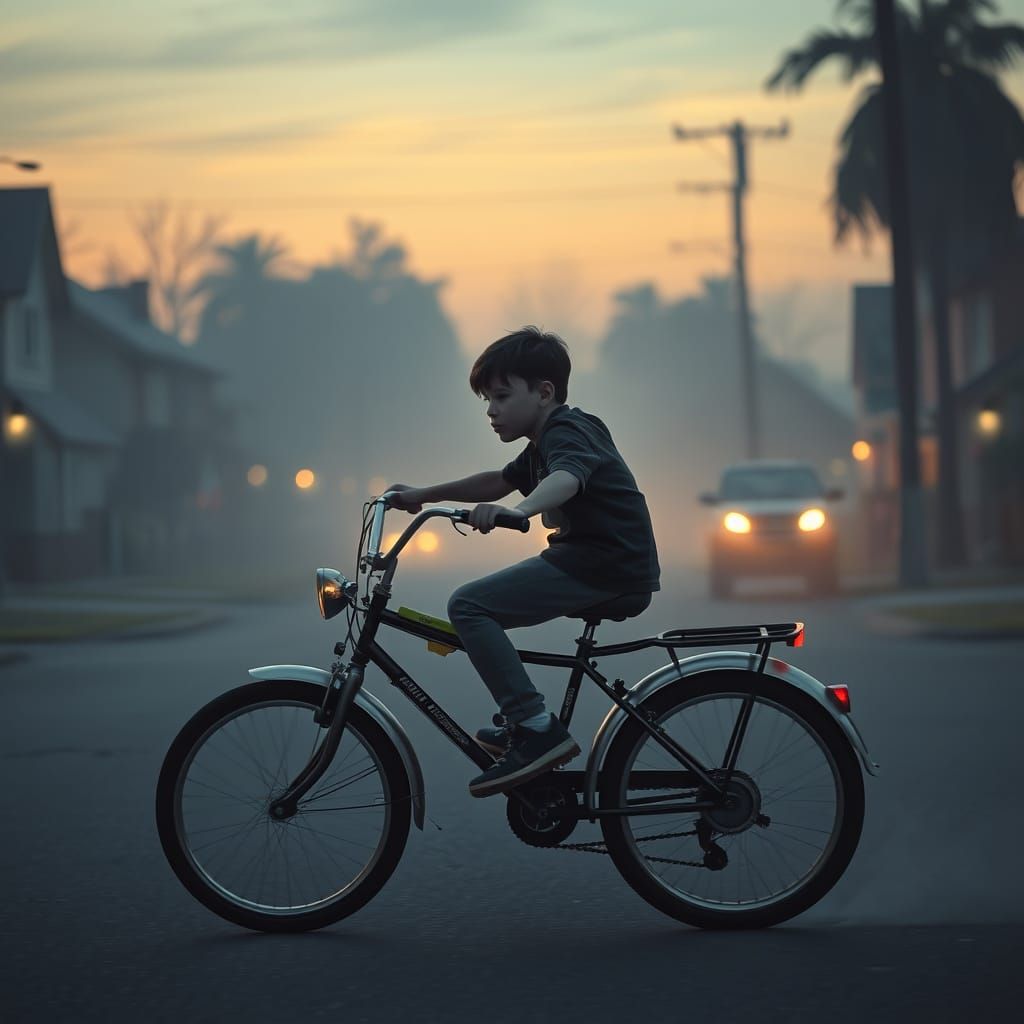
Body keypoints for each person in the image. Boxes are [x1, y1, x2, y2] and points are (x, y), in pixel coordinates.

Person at [386, 326, 660, 798]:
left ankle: (534, 726)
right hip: (596, 562)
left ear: (544, 392)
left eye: (501, 396)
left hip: (605, 564)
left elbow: (568, 478)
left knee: (470, 606)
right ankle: (526, 723)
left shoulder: (568, 430)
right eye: (487, 401)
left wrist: (521, 510)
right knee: (478, 610)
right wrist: (422, 496)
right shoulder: (539, 444)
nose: (491, 411)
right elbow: (495, 481)